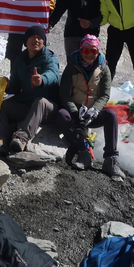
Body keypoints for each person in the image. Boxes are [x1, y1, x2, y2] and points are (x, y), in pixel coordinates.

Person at [56, 35, 124, 179]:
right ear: (81, 51)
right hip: (75, 113)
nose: (90, 54)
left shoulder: (104, 68)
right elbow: (64, 93)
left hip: (91, 114)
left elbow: (105, 95)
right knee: (61, 114)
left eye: (93, 51)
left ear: (97, 52)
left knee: (111, 115)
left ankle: (110, 159)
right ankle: (83, 150)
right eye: (86, 51)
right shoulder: (72, 66)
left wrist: (95, 111)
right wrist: (74, 112)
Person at [0, 25, 59, 154]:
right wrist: (8, 86)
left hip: (49, 107)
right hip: (28, 105)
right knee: (5, 106)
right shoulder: (20, 60)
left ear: (43, 42)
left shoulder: (49, 57)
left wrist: (42, 79)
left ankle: (21, 138)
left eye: (39, 38)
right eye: (32, 37)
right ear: (26, 41)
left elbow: (54, 74)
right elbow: (16, 86)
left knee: (40, 101)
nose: (36, 40)